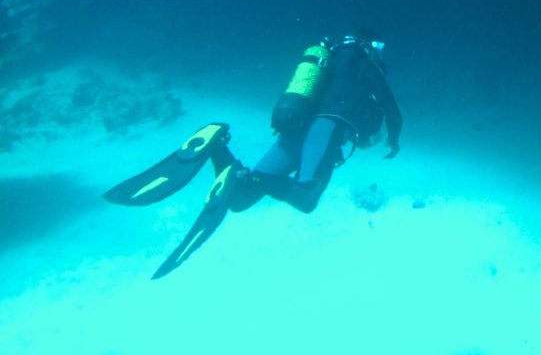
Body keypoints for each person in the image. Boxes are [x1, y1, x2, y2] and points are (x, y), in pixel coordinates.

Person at [103, 30, 402, 279]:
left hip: (295, 128)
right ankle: (249, 176)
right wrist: (395, 140)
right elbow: (389, 107)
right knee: (306, 197)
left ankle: (218, 146)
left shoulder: (326, 63)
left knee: (239, 199)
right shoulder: (366, 65)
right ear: (371, 47)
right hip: (325, 130)